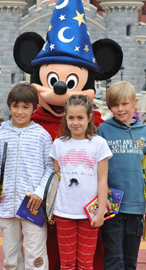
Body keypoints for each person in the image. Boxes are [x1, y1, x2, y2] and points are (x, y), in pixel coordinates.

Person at [0, 83, 54, 269]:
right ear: (9, 106)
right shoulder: (1, 135)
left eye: (25, 107)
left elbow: (50, 169)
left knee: (36, 257)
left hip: (33, 205)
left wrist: (39, 193)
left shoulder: (42, 135)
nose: (20, 112)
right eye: (16, 106)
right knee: (11, 258)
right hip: (8, 204)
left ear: (35, 108)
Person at [96, 81, 146, 270]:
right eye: (115, 105)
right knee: (114, 259)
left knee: (130, 262)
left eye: (125, 104)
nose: (120, 109)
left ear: (135, 103)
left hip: (137, 206)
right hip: (112, 206)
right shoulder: (103, 130)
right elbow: (96, 170)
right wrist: (101, 197)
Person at [50, 94, 111, 269]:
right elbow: (56, 178)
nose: (75, 122)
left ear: (89, 118)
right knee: (67, 263)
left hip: (89, 214)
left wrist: (100, 212)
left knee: (85, 263)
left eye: (80, 118)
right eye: (71, 118)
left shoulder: (99, 144)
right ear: (65, 118)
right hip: (64, 212)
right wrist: (51, 208)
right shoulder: (59, 144)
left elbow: (102, 180)